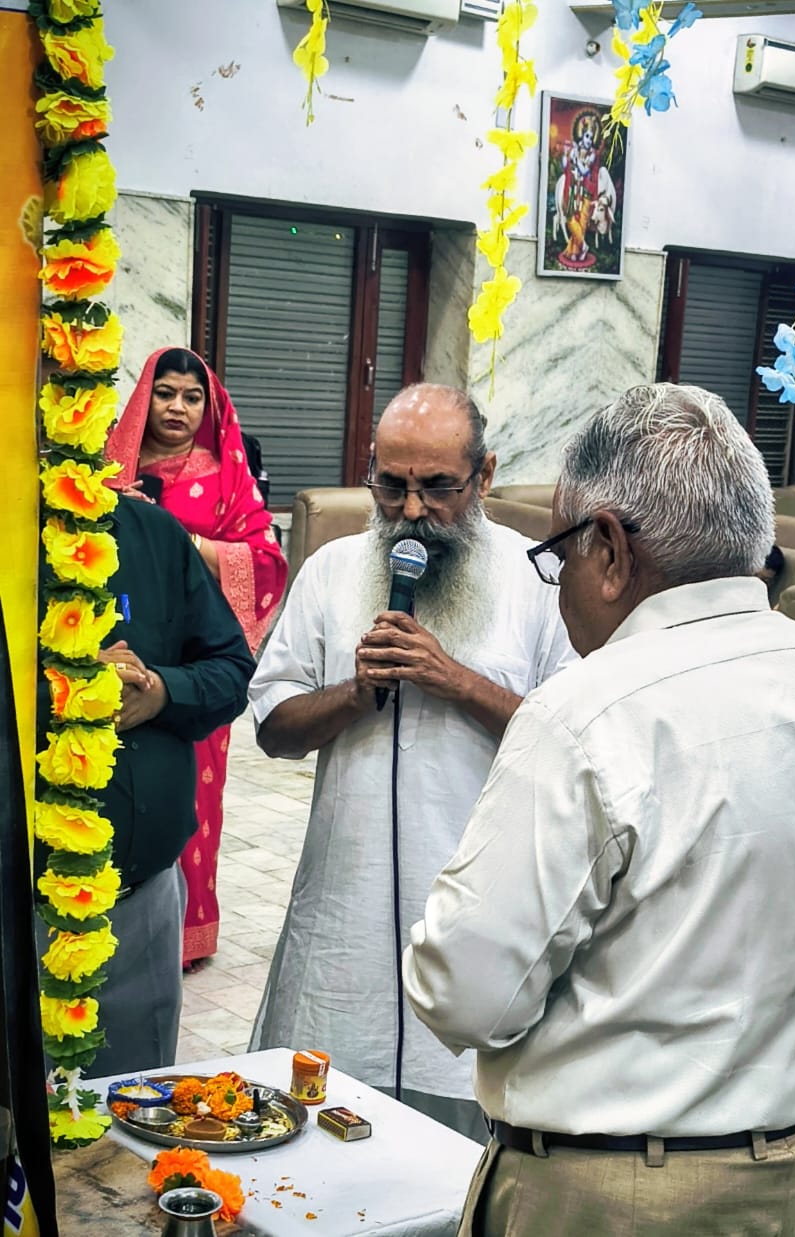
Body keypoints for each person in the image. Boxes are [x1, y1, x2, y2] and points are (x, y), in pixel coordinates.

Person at [402, 383, 795, 1237]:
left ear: (608, 547)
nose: (559, 584)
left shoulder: (588, 712)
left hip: (625, 1196)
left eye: (559, 556)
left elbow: (463, 993)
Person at [247, 383, 573, 1138]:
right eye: (391, 484)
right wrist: (355, 695)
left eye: (438, 487)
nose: (413, 510)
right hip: (343, 931)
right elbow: (273, 727)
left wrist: (453, 678)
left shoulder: (538, 581)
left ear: (484, 475)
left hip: (481, 930)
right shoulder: (331, 571)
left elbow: (575, 744)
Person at [35, 494, 253, 1076]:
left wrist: (160, 690)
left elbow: (232, 669)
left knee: (132, 1117)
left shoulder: (150, 532)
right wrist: (64, 690)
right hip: (20, 903)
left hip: (140, 902)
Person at [102, 346, 287, 970]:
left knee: (193, 794)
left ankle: (183, 931)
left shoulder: (222, 472)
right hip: (111, 651)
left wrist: (188, 543)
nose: (177, 408)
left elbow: (264, 560)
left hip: (190, 663)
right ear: (142, 397)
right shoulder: (105, 468)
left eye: (192, 397)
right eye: (165, 393)